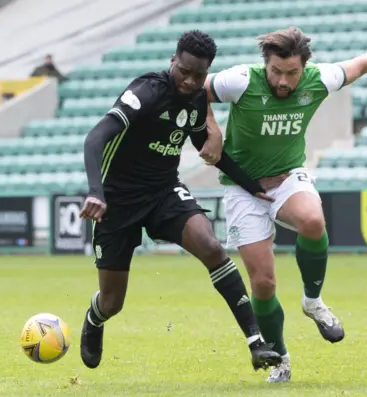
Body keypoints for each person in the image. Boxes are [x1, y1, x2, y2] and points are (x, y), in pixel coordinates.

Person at [203, 27, 367, 382]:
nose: (283, 80)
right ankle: (281, 360)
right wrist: (212, 129)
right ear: (266, 64)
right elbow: (197, 89)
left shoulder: (318, 79)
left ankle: (313, 302)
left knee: (312, 221)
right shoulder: (242, 79)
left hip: (287, 177)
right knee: (263, 284)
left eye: (291, 73)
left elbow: (361, 63)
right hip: (242, 189)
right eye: (276, 71)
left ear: (304, 67)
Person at [78, 30, 282, 372]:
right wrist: (96, 192)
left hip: (163, 192)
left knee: (212, 247)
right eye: (184, 71)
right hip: (118, 200)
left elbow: (208, 148)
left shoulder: (197, 99)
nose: (189, 80)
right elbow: (95, 137)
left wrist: (251, 185)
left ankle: (257, 343)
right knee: (112, 302)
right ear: (173, 61)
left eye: (198, 75)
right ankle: (94, 318)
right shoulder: (146, 91)